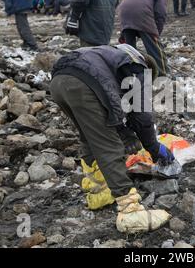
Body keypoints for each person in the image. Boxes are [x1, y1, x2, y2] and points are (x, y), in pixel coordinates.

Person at [50, 44, 175, 232]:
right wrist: (154, 147)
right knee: (109, 146)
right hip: (83, 84)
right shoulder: (139, 68)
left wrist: (126, 133)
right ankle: (130, 211)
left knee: (90, 135)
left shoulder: (115, 56)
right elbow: (141, 116)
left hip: (59, 82)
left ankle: (99, 189)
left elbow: (114, 106)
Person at [118, 0, 169, 77]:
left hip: (123, 11)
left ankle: (132, 72)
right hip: (140, 11)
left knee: (130, 49)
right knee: (154, 48)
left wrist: (123, 35)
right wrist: (156, 35)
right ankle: (162, 74)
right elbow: (160, 15)